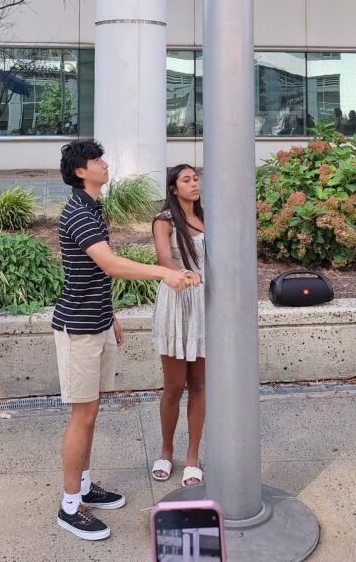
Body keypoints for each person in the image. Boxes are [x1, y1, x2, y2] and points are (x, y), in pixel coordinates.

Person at [52, 140, 198, 543]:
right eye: (97, 160)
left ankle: (83, 486)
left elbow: (92, 272)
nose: (104, 164)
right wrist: (164, 274)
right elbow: (110, 265)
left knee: (90, 414)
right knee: (81, 417)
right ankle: (69, 507)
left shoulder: (93, 208)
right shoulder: (79, 213)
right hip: (78, 328)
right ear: (81, 171)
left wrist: (111, 314)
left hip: (97, 322)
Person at [151, 164, 205, 488]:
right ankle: (166, 450)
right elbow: (164, 260)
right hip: (176, 300)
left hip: (204, 305)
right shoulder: (165, 221)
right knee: (174, 386)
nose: (194, 183)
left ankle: (193, 456)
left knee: (199, 384)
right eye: (186, 180)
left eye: (195, 178)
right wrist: (183, 274)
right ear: (173, 188)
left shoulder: (206, 217)